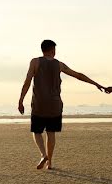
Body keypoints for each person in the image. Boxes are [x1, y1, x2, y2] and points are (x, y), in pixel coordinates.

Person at [18, 39, 104, 169]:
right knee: (51, 133)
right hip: (55, 105)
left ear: (43, 50)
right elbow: (78, 75)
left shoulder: (35, 62)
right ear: (53, 50)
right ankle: (50, 163)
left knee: (37, 131)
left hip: (39, 104)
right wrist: (96, 84)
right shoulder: (59, 65)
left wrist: (20, 100)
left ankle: (43, 154)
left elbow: (27, 82)